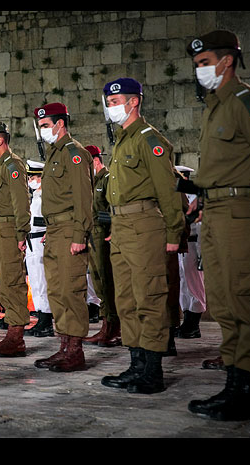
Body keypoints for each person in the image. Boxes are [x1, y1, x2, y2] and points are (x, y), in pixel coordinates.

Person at [185, 30, 250, 421]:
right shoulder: (214, 107)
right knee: (221, 300)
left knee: (244, 298)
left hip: (241, 212)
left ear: (227, 61)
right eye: (197, 65)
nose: (200, 70)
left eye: (205, 63)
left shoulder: (246, 104)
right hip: (216, 213)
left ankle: (246, 389)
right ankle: (234, 382)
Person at [99, 78, 184, 394]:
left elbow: (167, 190)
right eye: (108, 103)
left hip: (145, 224)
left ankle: (152, 371)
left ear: (134, 102)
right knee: (126, 300)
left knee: (149, 297)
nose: (111, 108)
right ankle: (136, 364)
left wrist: (175, 231)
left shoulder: (149, 140)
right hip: (121, 227)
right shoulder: (122, 141)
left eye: (116, 102)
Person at [30, 103, 94, 372]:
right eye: (40, 126)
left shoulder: (73, 153)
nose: (43, 130)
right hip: (55, 230)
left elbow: (83, 197)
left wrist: (79, 233)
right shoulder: (55, 155)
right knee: (56, 291)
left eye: (46, 125)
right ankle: (64, 345)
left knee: (72, 290)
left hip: (70, 229)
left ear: (60, 124)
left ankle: (75, 351)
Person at [0, 121, 31, 357]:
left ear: (0, 140)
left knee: (12, 282)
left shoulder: (12, 165)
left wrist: (22, 232)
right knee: (2, 283)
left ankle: (16, 337)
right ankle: (12, 330)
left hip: (9, 230)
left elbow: (21, 201)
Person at [82, 145, 121, 347]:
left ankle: (112, 326)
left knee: (106, 280)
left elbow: (113, 206)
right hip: (92, 234)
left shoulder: (106, 179)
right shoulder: (90, 182)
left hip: (103, 235)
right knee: (97, 281)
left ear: (96, 161)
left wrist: (114, 230)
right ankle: (107, 323)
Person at [173, 165, 206, 339]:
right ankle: (187, 320)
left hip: (193, 243)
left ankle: (193, 323)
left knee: (194, 284)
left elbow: (196, 221)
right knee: (184, 283)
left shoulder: (194, 196)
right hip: (181, 244)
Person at [23, 160, 54, 338]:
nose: (30, 181)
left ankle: (46, 320)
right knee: (35, 282)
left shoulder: (47, 197)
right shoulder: (36, 196)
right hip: (32, 243)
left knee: (42, 282)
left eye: (33, 177)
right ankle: (42, 316)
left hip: (40, 242)